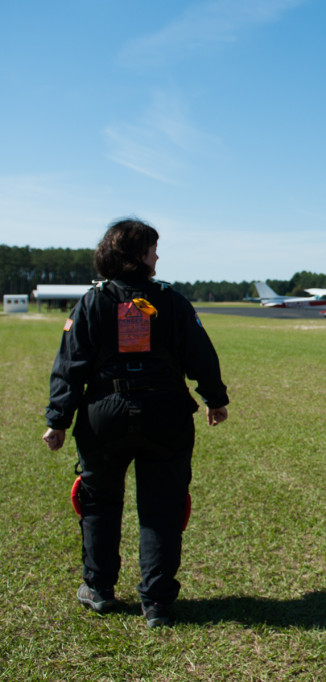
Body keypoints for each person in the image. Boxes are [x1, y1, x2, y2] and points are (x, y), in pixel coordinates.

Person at [42, 218, 229, 628]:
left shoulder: (92, 302)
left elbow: (70, 365)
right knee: (162, 508)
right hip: (165, 414)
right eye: (151, 249)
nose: (158, 256)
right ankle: (157, 603)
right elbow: (201, 353)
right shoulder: (171, 301)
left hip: (103, 415)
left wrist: (58, 420)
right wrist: (214, 399)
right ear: (136, 255)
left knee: (99, 505)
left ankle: (99, 588)